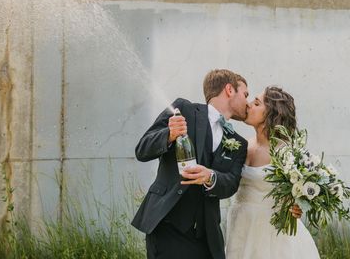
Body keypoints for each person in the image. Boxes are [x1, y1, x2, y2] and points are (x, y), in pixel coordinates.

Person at [132, 69, 249, 259]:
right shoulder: (183, 109)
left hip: (207, 237)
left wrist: (211, 177)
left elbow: (231, 184)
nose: (248, 102)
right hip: (167, 227)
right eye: (245, 94)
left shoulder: (239, 143)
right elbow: (142, 150)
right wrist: (168, 135)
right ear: (229, 89)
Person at [225, 86, 321, 259]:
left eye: (256, 103)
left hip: (272, 235)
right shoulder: (242, 146)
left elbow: (301, 190)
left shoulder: (287, 152)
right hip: (241, 227)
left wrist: (298, 205)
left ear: (271, 114)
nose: (248, 106)